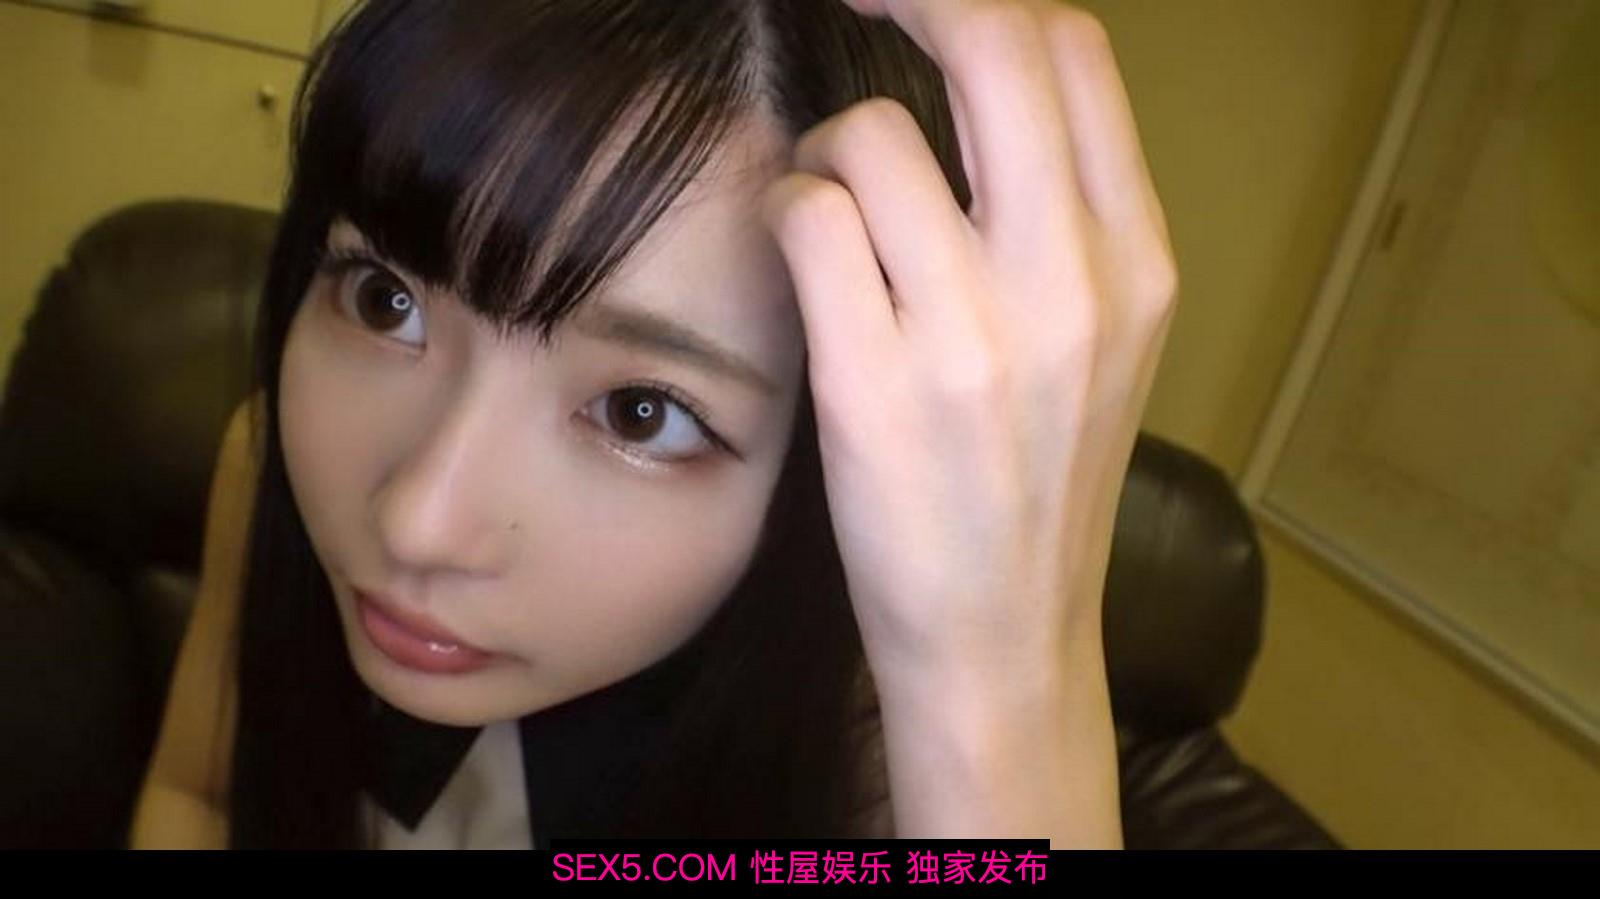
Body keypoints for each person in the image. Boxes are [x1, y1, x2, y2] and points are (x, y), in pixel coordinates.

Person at [131, 0, 1177, 849]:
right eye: (383, 300)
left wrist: (1002, 679)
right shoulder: (260, 462)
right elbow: (200, 792)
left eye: (643, 413)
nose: (416, 522)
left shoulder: (861, 733)